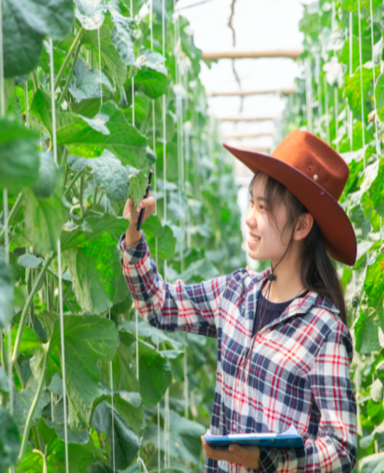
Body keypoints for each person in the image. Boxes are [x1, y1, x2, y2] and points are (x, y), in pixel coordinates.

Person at [119, 130, 357, 473]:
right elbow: (159, 304)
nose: (249, 217)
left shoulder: (323, 329)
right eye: (252, 202)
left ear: (302, 225)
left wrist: (267, 460)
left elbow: (342, 449)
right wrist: (134, 234)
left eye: (264, 207)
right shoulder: (235, 293)